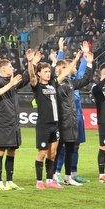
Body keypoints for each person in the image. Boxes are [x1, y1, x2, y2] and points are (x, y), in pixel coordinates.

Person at [25, 48, 72, 189]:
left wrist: (76, 59)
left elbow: (65, 72)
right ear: (40, 73)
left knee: (52, 153)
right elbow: (31, 76)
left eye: (48, 71)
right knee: (42, 153)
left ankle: (50, 180)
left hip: (55, 124)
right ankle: (39, 181)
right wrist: (30, 62)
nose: (48, 73)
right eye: (45, 71)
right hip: (44, 125)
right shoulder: (37, 86)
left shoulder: (53, 84)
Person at [0, 58, 27, 190]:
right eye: (10, 67)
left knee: (12, 151)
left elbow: (26, 78)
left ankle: (10, 181)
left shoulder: (13, 81)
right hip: (2, 121)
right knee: (0, 150)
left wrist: (31, 63)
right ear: (3, 69)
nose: (12, 68)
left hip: (14, 121)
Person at [54, 47, 89, 186]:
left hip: (77, 117)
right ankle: (57, 172)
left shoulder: (74, 81)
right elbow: (57, 67)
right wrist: (61, 51)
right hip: (65, 116)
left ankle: (73, 173)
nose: (74, 69)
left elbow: (83, 72)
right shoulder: (61, 82)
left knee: (76, 145)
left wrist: (85, 56)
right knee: (63, 145)